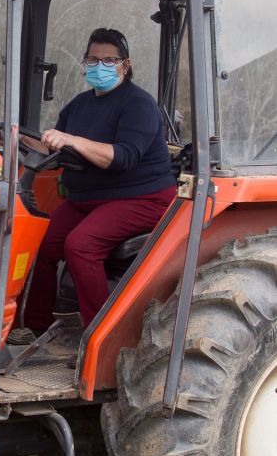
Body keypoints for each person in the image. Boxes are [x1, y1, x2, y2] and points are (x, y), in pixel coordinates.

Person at [22, 28, 177, 331]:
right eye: (93, 59)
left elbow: (123, 157)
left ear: (125, 65)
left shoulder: (139, 105)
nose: (99, 66)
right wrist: (20, 140)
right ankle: (31, 327)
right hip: (87, 198)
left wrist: (73, 139)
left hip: (139, 198)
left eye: (109, 60)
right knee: (40, 241)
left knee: (81, 245)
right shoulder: (79, 105)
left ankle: (100, 335)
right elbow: (56, 146)